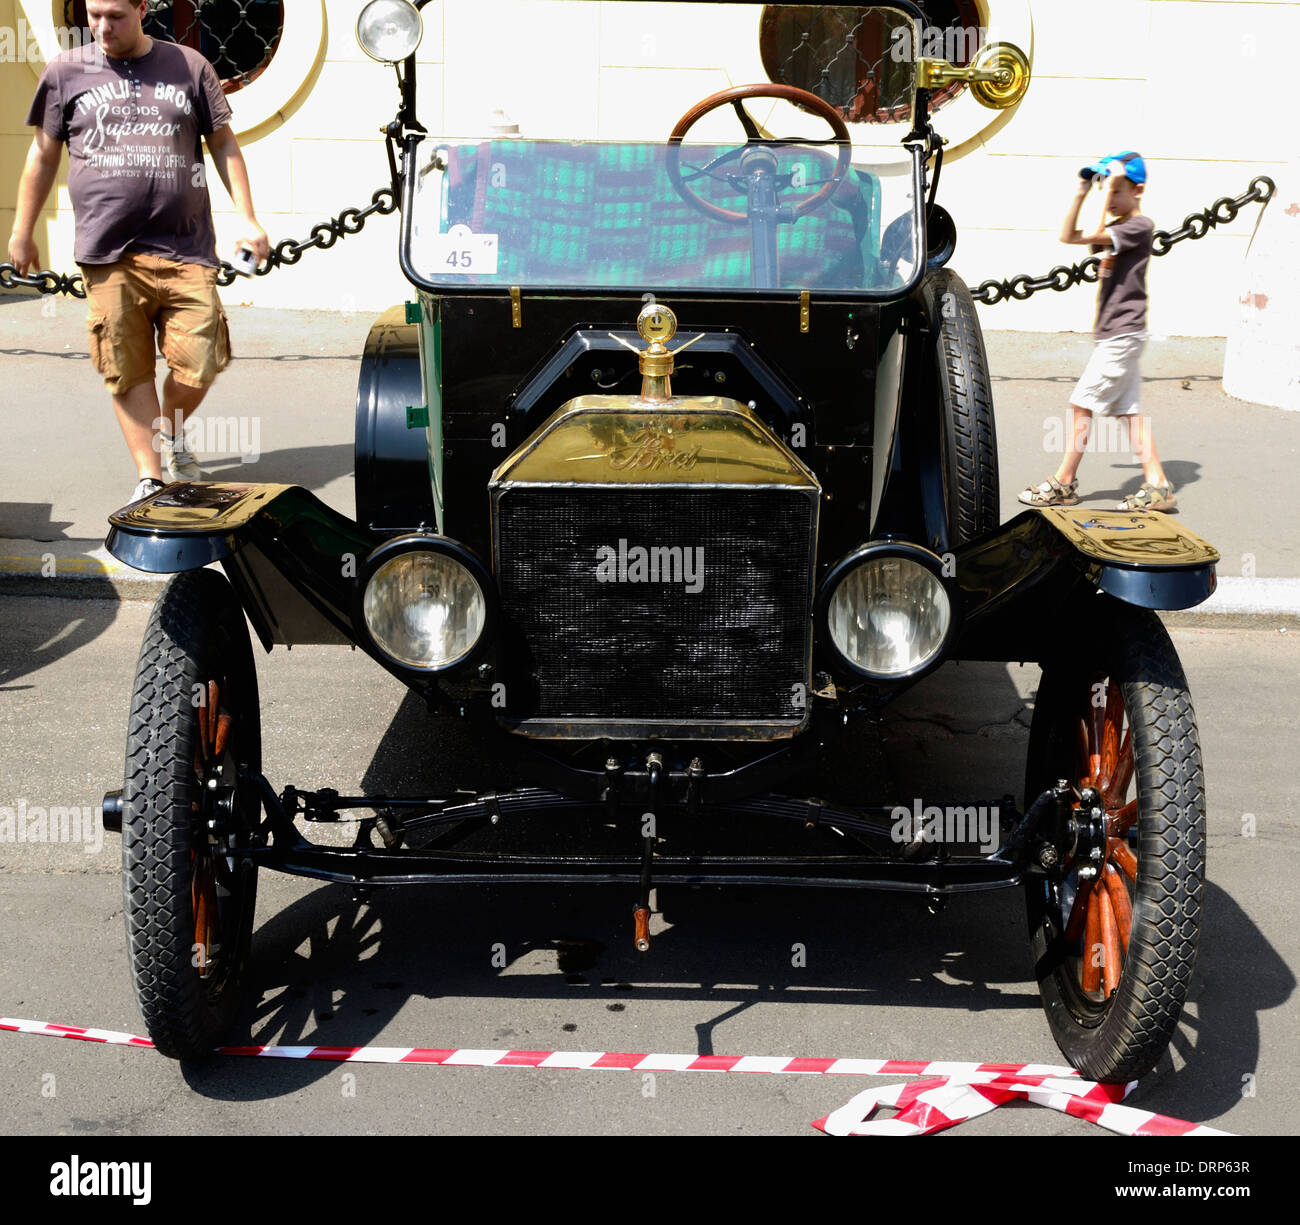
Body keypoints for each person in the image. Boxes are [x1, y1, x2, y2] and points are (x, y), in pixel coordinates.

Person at [6, 0, 270, 504]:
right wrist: (24, 230)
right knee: (126, 366)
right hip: (108, 251)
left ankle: (167, 428)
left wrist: (248, 219)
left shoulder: (188, 66)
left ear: (144, 8)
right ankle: (151, 474)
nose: (101, 27)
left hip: (186, 245)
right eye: (94, 15)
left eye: (115, 16)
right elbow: (42, 154)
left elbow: (223, 143)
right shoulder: (67, 71)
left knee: (201, 361)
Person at [1019, 150, 1175, 512]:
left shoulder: (1139, 226)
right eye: (1111, 191)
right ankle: (1159, 485)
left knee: (1080, 404)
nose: (1113, 197)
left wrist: (1106, 190)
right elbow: (1068, 235)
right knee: (1127, 411)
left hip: (1122, 334)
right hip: (1120, 334)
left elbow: (1098, 230)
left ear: (1138, 191)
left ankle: (1063, 482)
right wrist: (1082, 190)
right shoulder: (1118, 230)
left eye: (1118, 190)